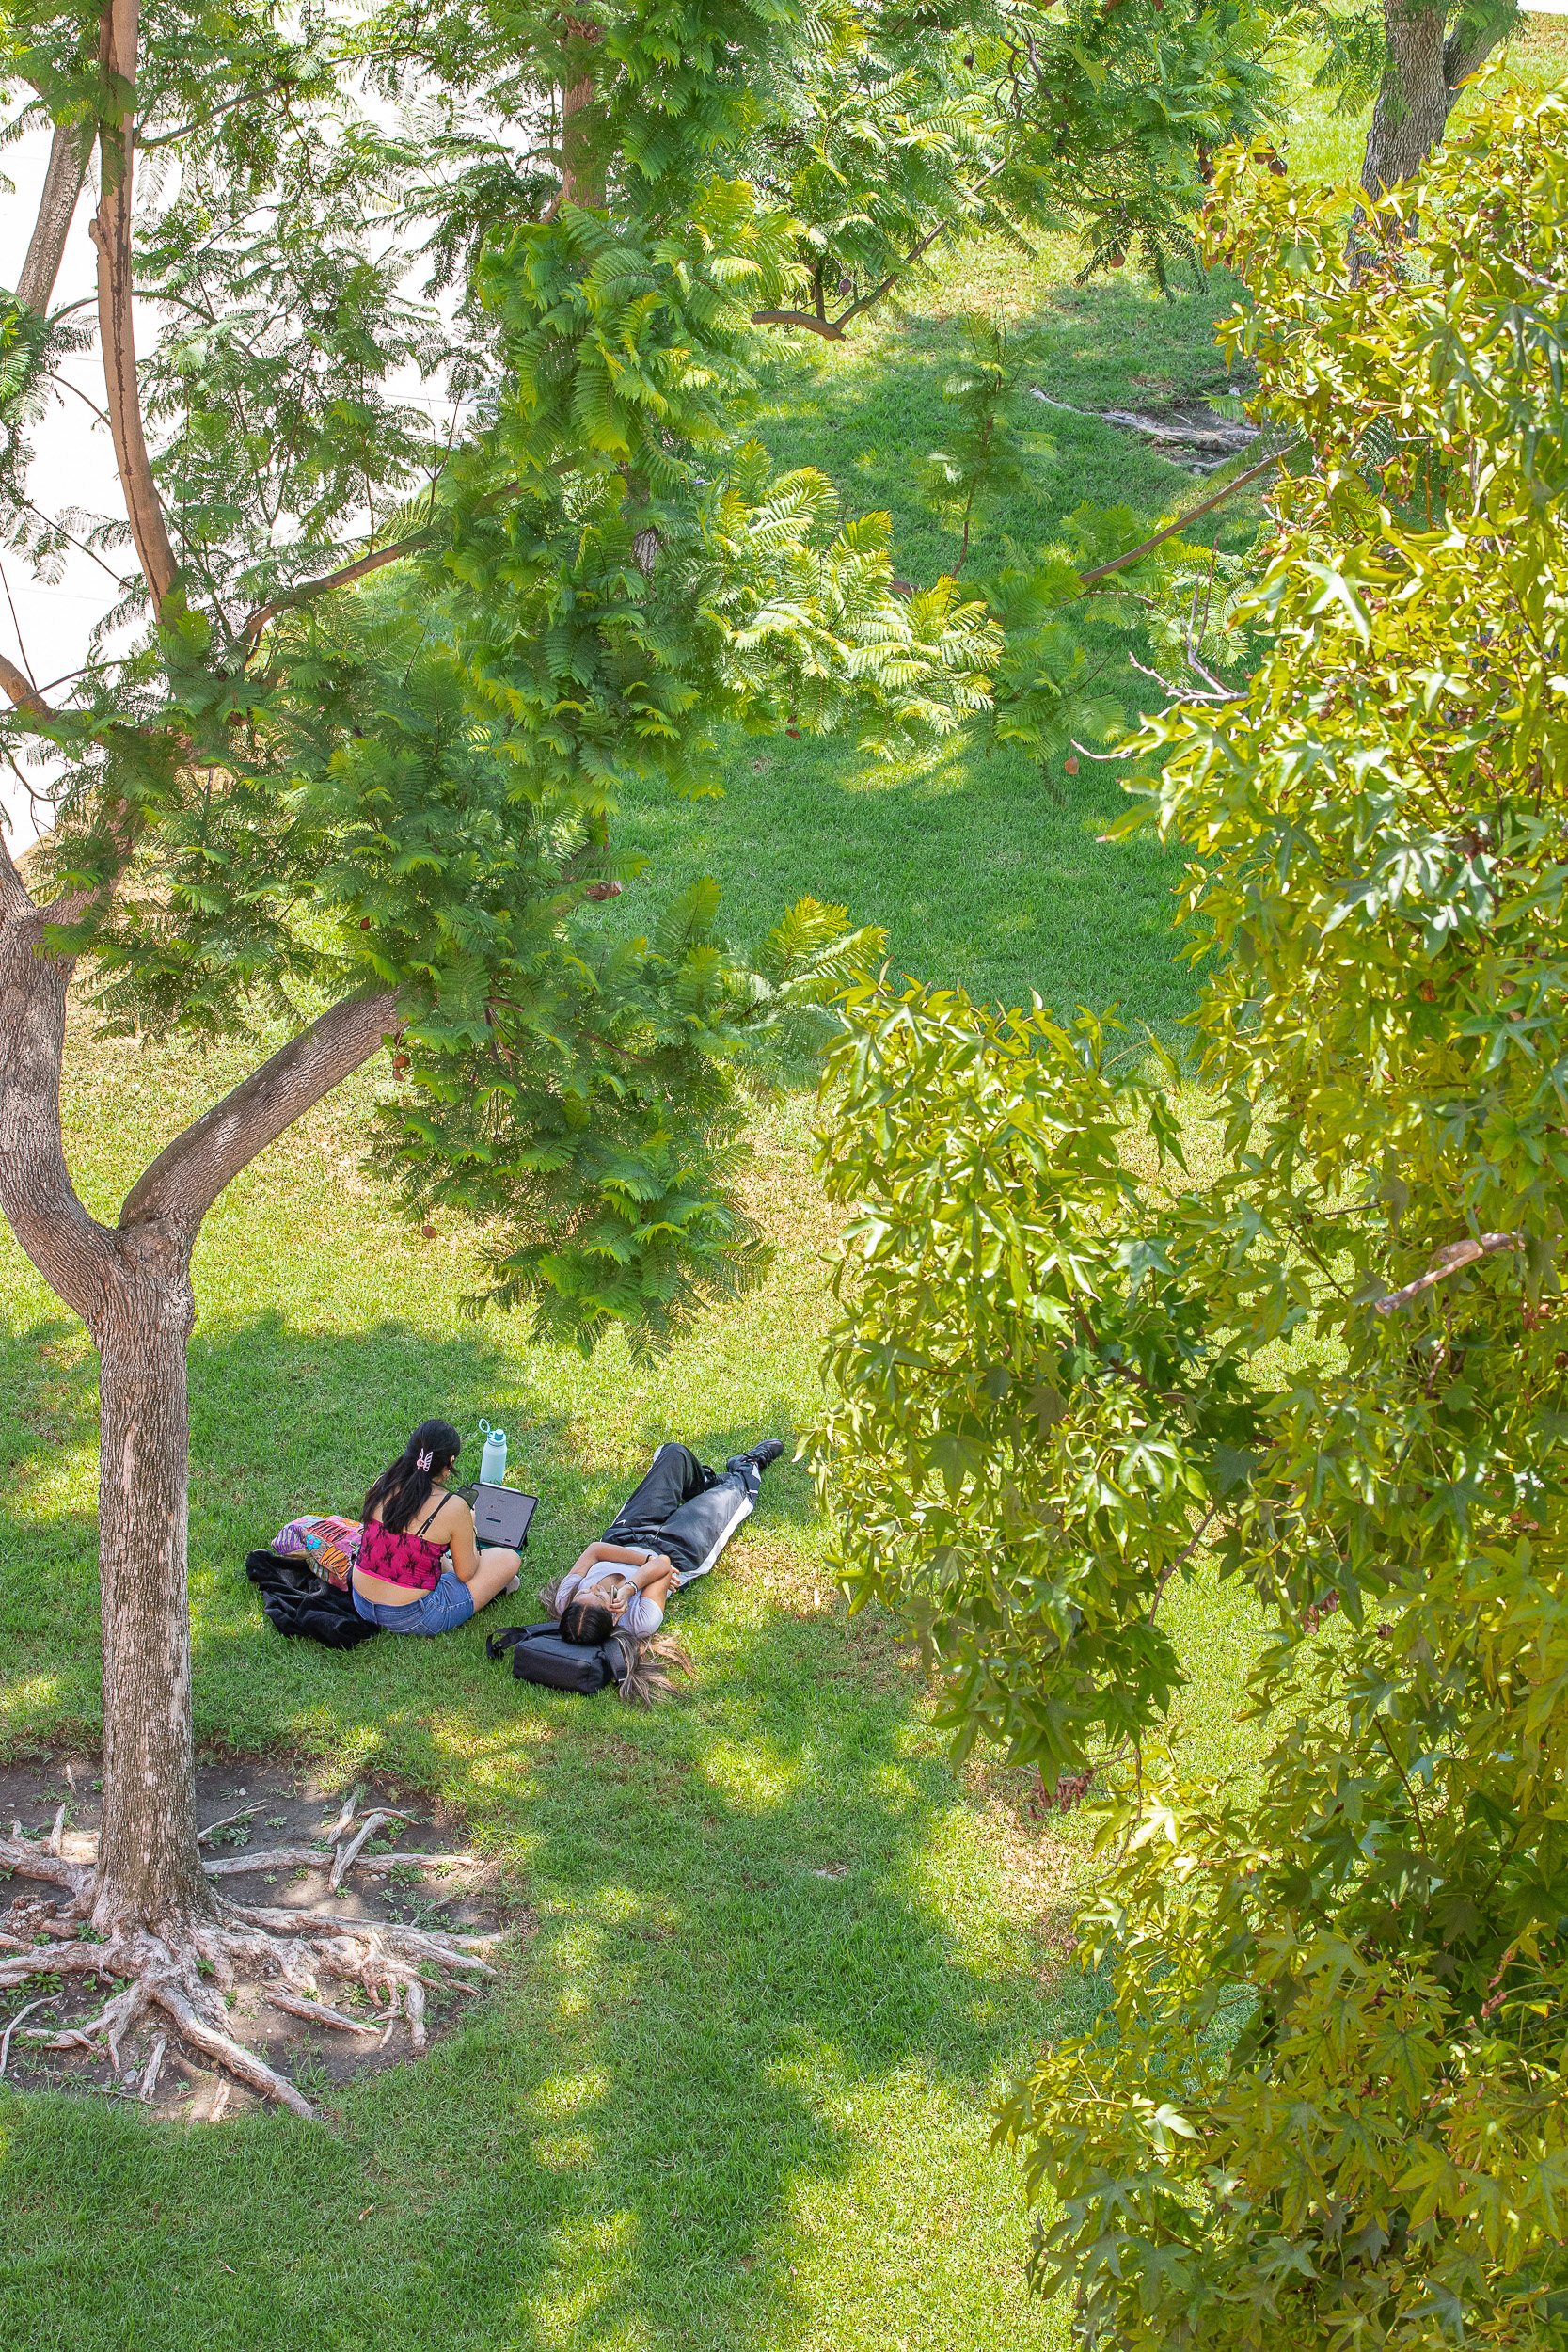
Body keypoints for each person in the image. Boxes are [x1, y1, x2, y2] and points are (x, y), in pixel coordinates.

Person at [548, 1438, 784, 1647]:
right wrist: (632, 1587)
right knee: (737, 1490)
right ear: (613, 1615)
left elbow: (596, 1550)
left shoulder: (565, 1600)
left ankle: (702, 1483)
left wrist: (648, 1564)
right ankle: (748, 1464)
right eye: (598, 1595)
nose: (590, 1588)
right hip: (681, 1550)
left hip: (626, 1535)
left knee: (674, 1453)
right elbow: (665, 1563)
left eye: (583, 1593)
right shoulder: (641, 1622)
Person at [351, 1418, 524, 1637]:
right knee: (509, 1559)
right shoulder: (452, 1506)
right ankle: (492, 1587)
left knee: (425, 1547)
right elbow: (466, 1573)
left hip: (362, 1602)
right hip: (412, 1616)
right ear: (449, 1462)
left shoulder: (383, 1484)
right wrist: (469, 1526)